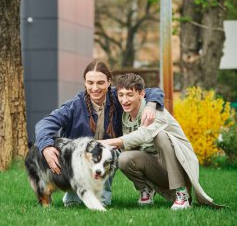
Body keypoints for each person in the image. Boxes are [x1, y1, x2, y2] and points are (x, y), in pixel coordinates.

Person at [35, 61, 165, 207]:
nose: (95, 88)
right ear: (85, 83)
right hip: (79, 160)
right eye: (90, 82)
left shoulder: (119, 97)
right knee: (73, 204)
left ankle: (103, 195)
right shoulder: (74, 106)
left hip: (109, 155)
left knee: (102, 198)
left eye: (100, 83)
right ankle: (74, 191)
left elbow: (154, 91)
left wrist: (151, 105)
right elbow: (45, 124)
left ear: (109, 82)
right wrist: (46, 146)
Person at [100, 73, 223, 210]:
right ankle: (146, 190)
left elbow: (143, 134)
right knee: (123, 158)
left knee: (161, 136)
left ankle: (182, 193)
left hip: (180, 167)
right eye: (121, 95)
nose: (124, 100)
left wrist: (110, 142)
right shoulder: (125, 116)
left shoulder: (156, 111)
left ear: (141, 94)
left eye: (129, 94)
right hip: (156, 168)